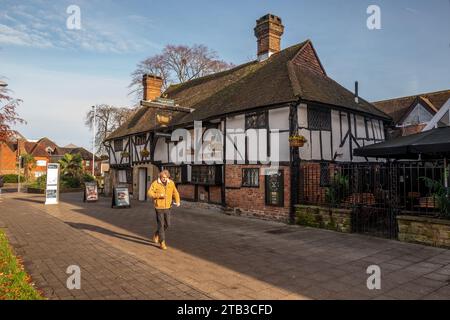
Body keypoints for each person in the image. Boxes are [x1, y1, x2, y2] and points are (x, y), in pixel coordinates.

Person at [147, 170, 180, 250]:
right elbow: (149, 193)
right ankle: (162, 242)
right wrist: (159, 195)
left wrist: (178, 201)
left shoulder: (171, 183)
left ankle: (157, 234)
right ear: (160, 177)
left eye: (165, 177)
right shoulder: (155, 183)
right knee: (161, 225)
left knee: (167, 224)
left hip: (168, 207)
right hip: (159, 207)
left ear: (168, 177)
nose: (164, 179)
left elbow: (175, 192)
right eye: (162, 177)